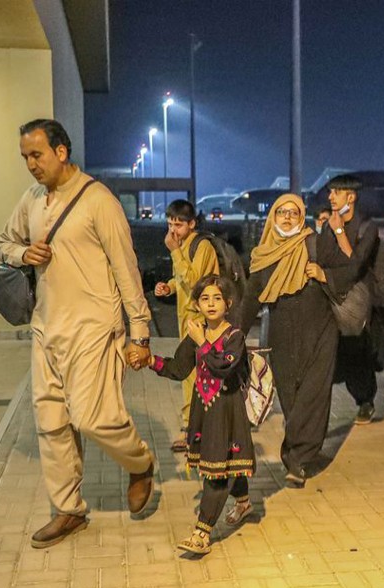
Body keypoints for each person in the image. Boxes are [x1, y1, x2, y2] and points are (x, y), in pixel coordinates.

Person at [0, 119, 154, 549]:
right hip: (46, 329)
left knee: (93, 418)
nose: (31, 165)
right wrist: (22, 252)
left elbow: (126, 268)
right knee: (51, 424)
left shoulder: (98, 200)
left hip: (93, 330)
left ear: (61, 152)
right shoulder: (30, 199)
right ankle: (69, 510)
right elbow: (2, 244)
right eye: (25, 157)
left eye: (37, 155)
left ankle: (140, 463)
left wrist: (138, 333)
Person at [142, 275, 254, 555]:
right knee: (226, 462)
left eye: (217, 298)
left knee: (216, 473)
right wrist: (150, 361)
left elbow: (222, 367)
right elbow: (179, 369)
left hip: (228, 414)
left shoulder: (235, 336)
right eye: (205, 298)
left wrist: (202, 341)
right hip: (204, 413)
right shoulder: (196, 335)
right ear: (197, 304)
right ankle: (243, 502)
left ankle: (201, 533)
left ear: (228, 304)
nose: (211, 303)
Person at [240, 193, 339, 488]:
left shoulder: (316, 245)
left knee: (313, 395)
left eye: (293, 213)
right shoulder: (263, 255)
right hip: (282, 334)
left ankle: (298, 458)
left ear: (302, 217)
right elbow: (250, 300)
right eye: (281, 212)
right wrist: (232, 335)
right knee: (290, 396)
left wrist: (323, 274)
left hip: (321, 330)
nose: (286, 217)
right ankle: (301, 448)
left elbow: (347, 272)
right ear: (272, 217)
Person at [154, 199, 220, 453]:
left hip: (201, 322)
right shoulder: (184, 245)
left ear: (192, 224)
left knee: (194, 376)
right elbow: (182, 278)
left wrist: (173, 251)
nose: (173, 231)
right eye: (170, 224)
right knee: (189, 375)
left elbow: (196, 284)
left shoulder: (201, 247)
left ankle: (194, 431)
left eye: (179, 225)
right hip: (187, 320)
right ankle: (193, 429)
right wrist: (169, 286)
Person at [316, 175, 381, 425]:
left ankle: (365, 401)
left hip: (354, 301)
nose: (330, 197)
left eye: (336, 192)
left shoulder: (367, 226)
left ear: (350, 197)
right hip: (328, 293)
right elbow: (323, 258)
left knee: (356, 352)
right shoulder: (326, 226)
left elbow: (356, 266)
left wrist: (339, 231)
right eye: (330, 192)